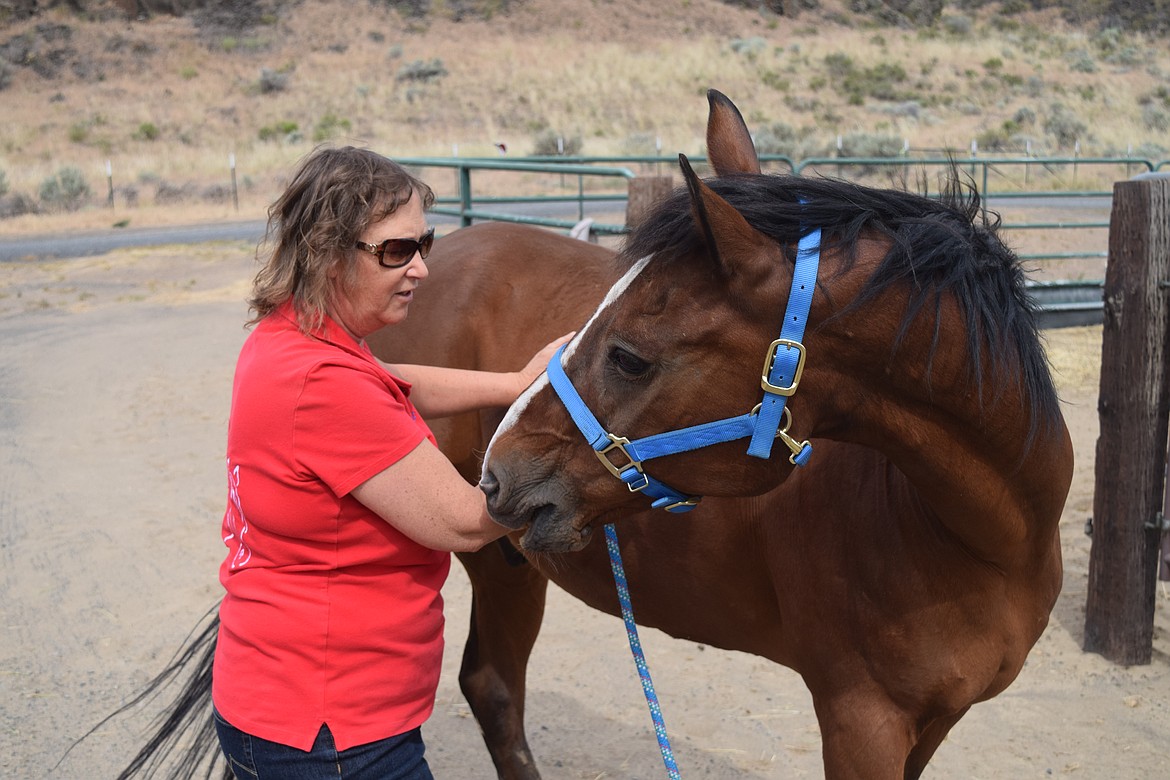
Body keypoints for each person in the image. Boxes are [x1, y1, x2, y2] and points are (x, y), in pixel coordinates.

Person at [211, 145, 569, 779]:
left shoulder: (292, 338)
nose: (422, 269)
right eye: (396, 251)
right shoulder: (326, 386)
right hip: (335, 734)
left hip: (282, 703)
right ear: (327, 253)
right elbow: (461, 523)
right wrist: (583, 455)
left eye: (424, 244)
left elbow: (391, 381)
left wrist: (515, 383)